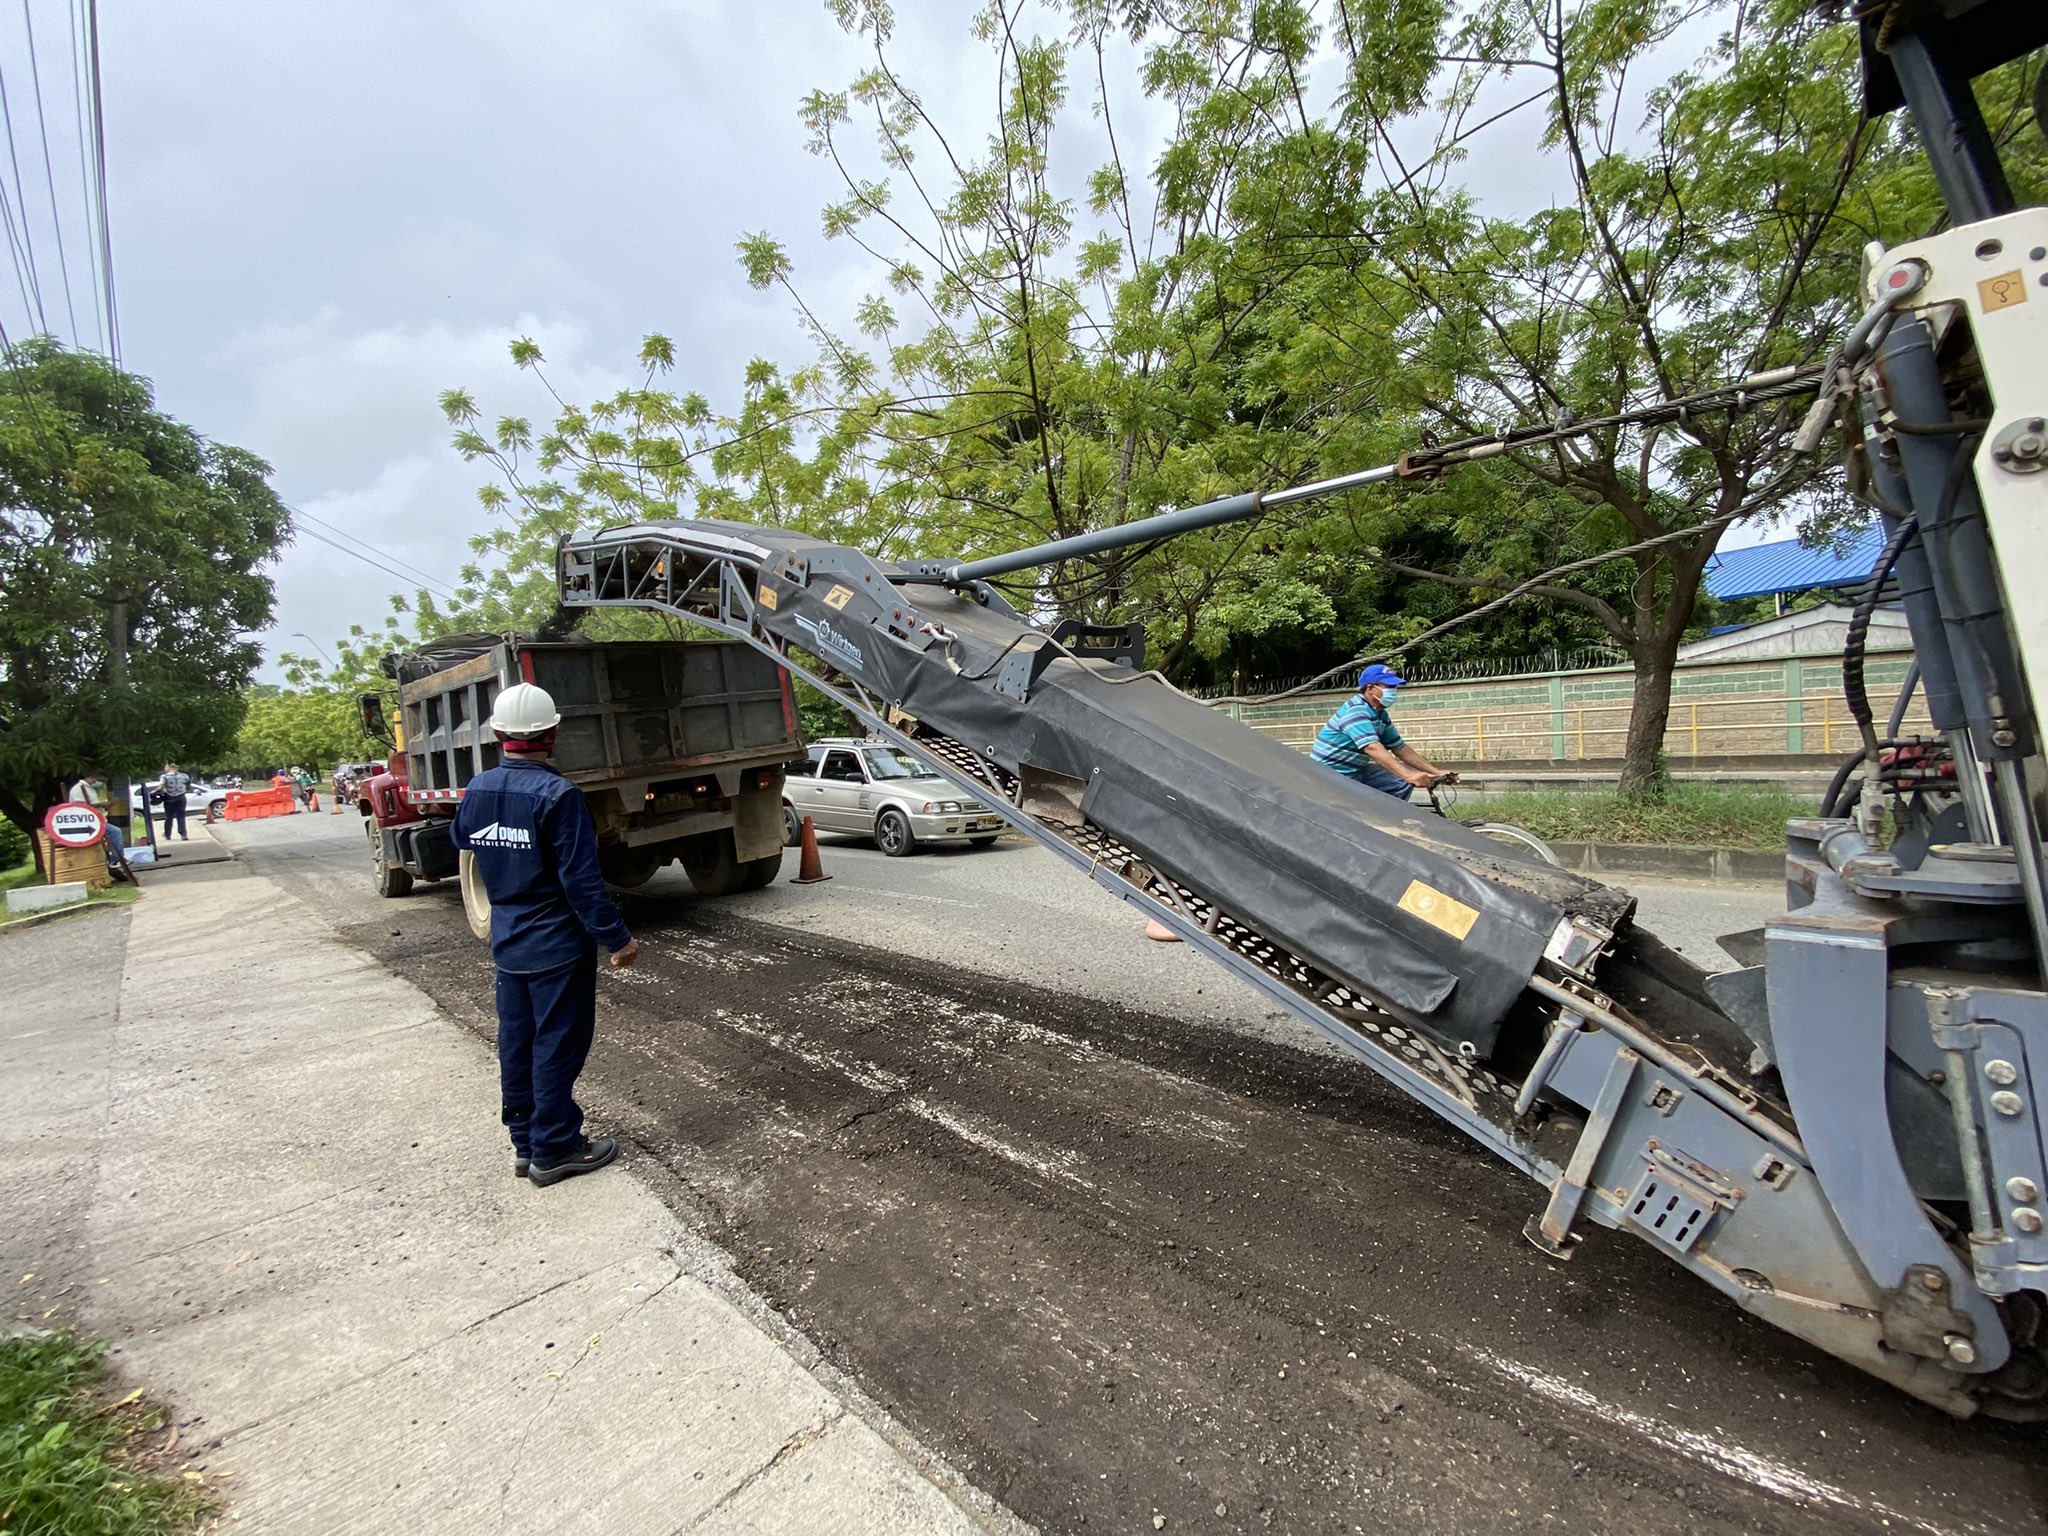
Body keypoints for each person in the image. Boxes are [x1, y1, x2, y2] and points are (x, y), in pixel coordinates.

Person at [452, 682, 639, 1187]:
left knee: (518, 1040)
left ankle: (525, 1143)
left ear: (497, 733)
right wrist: (616, 938)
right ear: (552, 732)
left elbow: (463, 840)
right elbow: (580, 880)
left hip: (509, 940)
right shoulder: (559, 795)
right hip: (556, 942)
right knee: (557, 1042)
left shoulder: (478, 790)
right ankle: (554, 1147)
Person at [1310, 664, 1456, 802]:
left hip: (1356, 770)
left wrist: (1437, 773)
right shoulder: (1356, 711)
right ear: (1370, 688)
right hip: (1329, 774)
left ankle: (1388, 821)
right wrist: (1408, 775)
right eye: (1389, 686)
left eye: (1395, 687)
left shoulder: (1380, 714)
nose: (1394, 690)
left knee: (1399, 783)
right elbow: (1372, 748)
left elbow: (1400, 748)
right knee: (1402, 778)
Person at [159, 762, 192, 841]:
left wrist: (154, 792)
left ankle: (167, 834)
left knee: (169, 817)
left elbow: (160, 788)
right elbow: (188, 787)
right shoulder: (184, 776)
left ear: (168, 767)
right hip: (181, 798)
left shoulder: (164, 776)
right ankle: (183, 834)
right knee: (181, 816)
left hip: (169, 798)